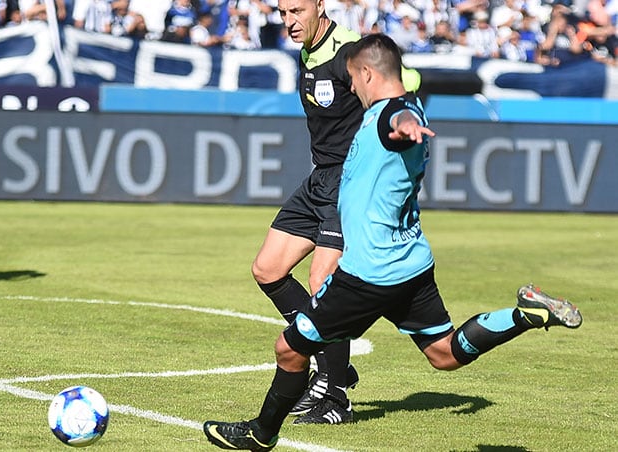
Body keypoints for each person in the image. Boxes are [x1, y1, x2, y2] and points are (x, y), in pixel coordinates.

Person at [203, 33, 583, 451]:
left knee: (288, 350)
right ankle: (523, 315)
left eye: (353, 79)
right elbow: (402, 116)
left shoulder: (392, 113)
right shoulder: (409, 103)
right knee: (444, 352)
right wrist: (406, 122)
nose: (351, 87)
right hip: (411, 264)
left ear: (367, 72)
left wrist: (404, 127)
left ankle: (262, 433)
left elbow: (395, 124)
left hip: (368, 273)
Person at [248, 0, 421, 426]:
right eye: (282, 12)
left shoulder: (349, 50)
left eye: (297, 11)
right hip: (321, 178)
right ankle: (334, 362)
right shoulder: (308, 51)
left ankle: (335, 395)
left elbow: (405, 79)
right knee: (267, 269)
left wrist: (400, 115)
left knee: (323, 280)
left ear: (319, 6)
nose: (289, 21)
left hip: (352, 183)